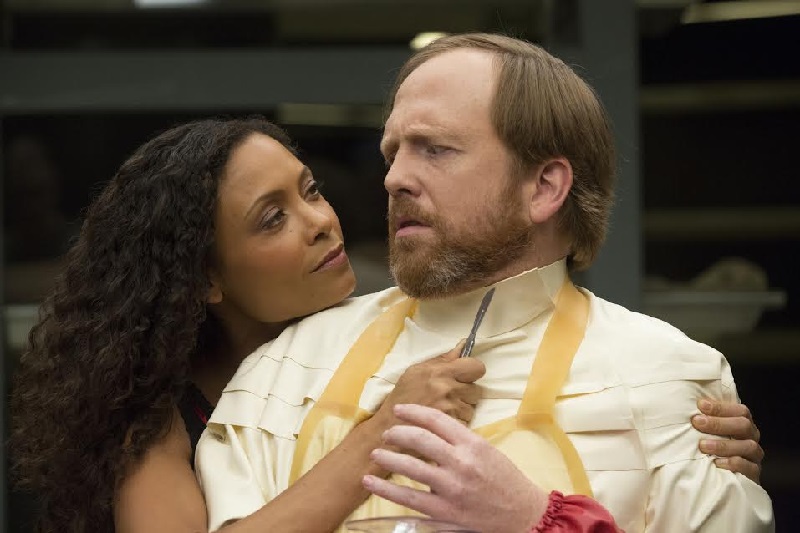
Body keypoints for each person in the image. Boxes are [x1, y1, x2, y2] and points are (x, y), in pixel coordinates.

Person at [197, 34, 772, 532]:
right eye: (393, 153)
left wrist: (534, 518)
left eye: (435, 149)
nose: (394, 178)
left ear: (544, 188)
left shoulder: (672, 382)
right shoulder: (279, 372)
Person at [9, 117, 491, 533]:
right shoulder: (161, 423)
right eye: (273, 218)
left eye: (311, 190)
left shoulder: (396, 328)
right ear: (206, 279)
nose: (320, 221)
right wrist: (386, 429)